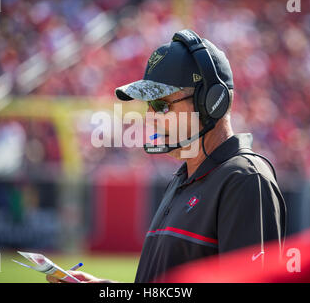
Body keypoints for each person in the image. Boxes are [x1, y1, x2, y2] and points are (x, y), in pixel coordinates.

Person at [47, 29, 286, 283]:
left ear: (211, 102)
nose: (150, 117)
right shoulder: (184, 178)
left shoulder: (245, 180)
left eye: (161, 105)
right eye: (148, 107)